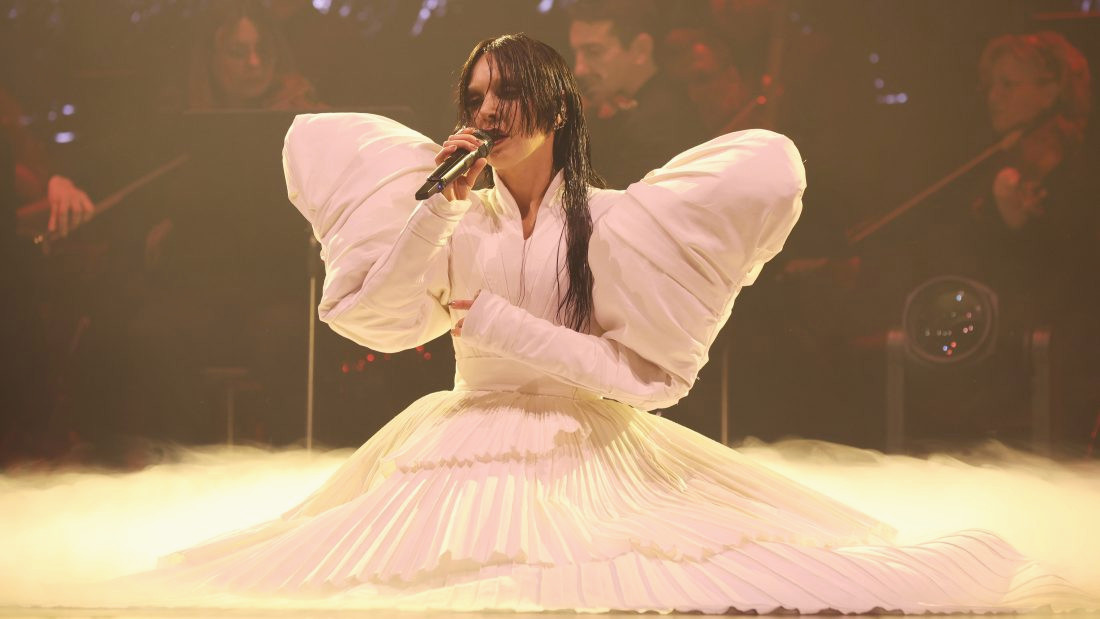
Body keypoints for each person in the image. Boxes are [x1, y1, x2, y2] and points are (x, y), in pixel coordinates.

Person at [128, 34, 1093, 613]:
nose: (487, 109)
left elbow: (650, 379)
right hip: (455, 441)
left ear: (555, 106)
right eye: (475, 96)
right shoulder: (454, 216)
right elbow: (369, 318)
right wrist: (434, 211)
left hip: (588, 447)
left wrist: (503, 327)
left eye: (506, 91)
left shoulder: (620, 221)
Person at [567, 0, 706, 188]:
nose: (579, 69)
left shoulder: (659, 122)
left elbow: (603, 198)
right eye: (576, 53)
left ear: (641, 49)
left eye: (594, 52)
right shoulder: (649, 104)